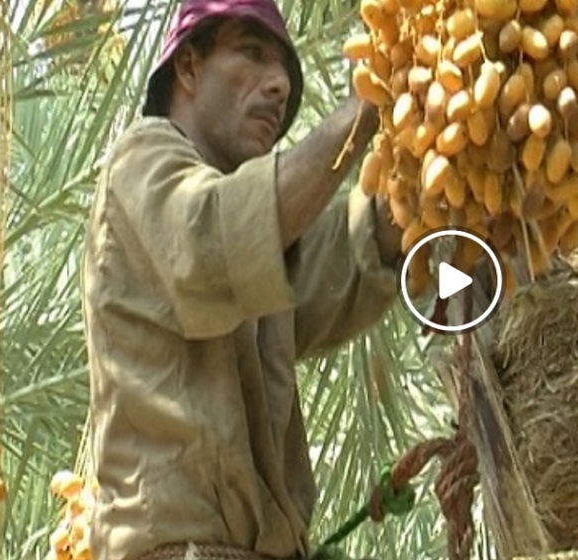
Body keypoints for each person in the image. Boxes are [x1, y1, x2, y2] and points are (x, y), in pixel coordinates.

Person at [81, 1, 401, 559]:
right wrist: (368, 102)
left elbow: (347, 260)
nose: (278, 85)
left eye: (284, 72)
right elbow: (214, 241)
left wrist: (433, 162)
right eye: (252, 55)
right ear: (188, 67)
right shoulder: (142, 161)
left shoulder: (264, 244)